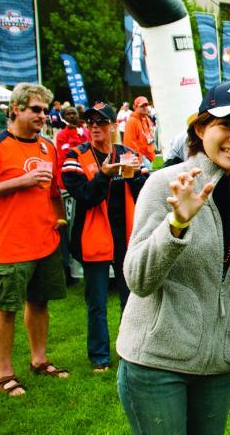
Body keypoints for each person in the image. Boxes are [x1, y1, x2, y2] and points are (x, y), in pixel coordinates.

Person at [116, 82, 230, 434]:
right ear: (201, 129)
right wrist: (177, 224)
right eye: (225, 125)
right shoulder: (165, 184)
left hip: (216, 365)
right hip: (157, 363)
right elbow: (137, 279)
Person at [0, 83, 69, 397]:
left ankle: (39, 360)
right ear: (16, 110)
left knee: (39, 303)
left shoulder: (47, 147)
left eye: (44, 110)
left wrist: (59, 220)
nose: (42, 115)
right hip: (9, 244)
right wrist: (20, 182)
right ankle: (5, 373)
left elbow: (53, 192)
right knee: (6, 307)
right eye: (35, 109)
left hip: (45, 242)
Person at [61, 102, 148, 372]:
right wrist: (104, 175)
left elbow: (143, 192)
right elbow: (86, 196)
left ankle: (128, 349)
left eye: (101, 122)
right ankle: (99, 356)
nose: (95, 127)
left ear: (113, 126)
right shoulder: (75, 157)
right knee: (96, 302)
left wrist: (133, 176)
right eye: (90, 123)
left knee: (130, 299)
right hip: (93, 240)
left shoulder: (128, 153)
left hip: (126, 239)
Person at [55, 107, 89, 179]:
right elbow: (68, 154)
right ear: (64, 118)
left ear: (78, 115)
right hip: (71, 172)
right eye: (68, 114)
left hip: (87, 170)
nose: (71, 116)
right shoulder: (61, 135)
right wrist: (73, 132)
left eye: (74, 113)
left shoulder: (86, 132)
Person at [122, 96, 155, 169]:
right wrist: (140, 162)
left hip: (149, 157)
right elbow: (129, 144)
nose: (145, 107)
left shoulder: (147, 119)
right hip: (141, 159)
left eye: (146, 105)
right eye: (142, 106)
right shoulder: (132, 121)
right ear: (135, 107)